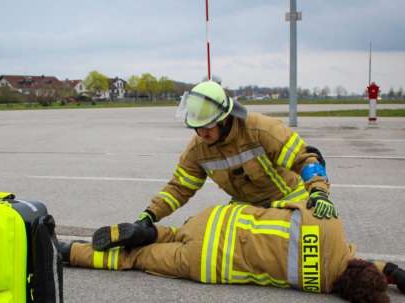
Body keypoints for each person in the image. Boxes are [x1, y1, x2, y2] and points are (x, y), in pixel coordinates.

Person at [100, 80, 337, 251]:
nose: (202, 133)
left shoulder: (261, 129)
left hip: (289, 203)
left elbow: (304, 159)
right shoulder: (198, 150)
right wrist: (148, 215)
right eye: (196, 128)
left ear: (224, 119)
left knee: (292, 251)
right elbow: (179, 188)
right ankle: (148, 234)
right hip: (247, 211)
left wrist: (318, 192)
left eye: (207, 126)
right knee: (212, 242)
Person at [60, 201, 405, 303]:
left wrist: (395, 272)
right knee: (135, 259)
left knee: (177, 231)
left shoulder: (331, 225)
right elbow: (347, 270)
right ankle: (69, 252)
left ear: (362, 263)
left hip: (217, 221)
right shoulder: (323, 286)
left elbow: (279, 202)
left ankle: (151, 230)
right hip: (208, 264)